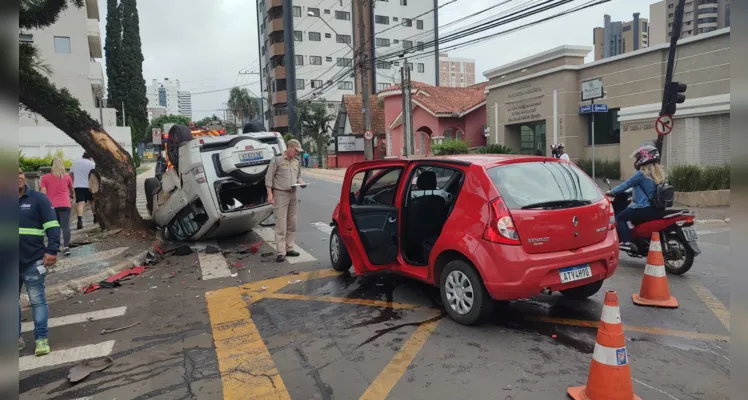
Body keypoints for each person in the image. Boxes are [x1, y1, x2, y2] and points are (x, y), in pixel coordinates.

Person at [19, 168, 60, 356]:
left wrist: (52, 249)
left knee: (37, 300)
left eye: (19, 172)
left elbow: (52, 225)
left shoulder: (38, 199)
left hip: (33, 261)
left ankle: (41, 339)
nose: (17, 176)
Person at [607, 145, 666, 251]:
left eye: (638, 157)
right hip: (656, 209)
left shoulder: (641, 174)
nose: (636, 160)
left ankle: (625, 242)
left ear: (643, 158)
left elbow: (625, 184)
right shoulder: (658, 173)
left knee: (620, 217)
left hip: (643, 207)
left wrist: (611, 192)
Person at [265, 139, 306, 262]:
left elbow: (298, 176)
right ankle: (281, 252)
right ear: (289, 147)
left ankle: (289, 248)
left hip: (293, 193)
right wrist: (270, 195)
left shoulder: (296, 162)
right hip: (280, 194)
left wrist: (301, 183)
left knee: (292, 223)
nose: (297, 153)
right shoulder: (277, 160)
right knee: (281, 224)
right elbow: (269, 178)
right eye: (295, 150)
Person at [40, 158, 74, 256]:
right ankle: (66, 247)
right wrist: (72, 196)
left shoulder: (45, 178)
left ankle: (55, 247)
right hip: (65, 204)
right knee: (65, 226)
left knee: (53, 227)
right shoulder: (67, 177)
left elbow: (43, 193)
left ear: (51, 166)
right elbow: (72, 190)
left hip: (51, 206)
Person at [70, 152, 96, 229]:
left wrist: (74, 182)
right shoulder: (92, 164)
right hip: (90, 186)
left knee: (80, 203)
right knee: (92, 202)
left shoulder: (75, 163)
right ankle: (95, 217)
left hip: (78, 186)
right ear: (90, 157)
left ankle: (79, 221)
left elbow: (71, 174)